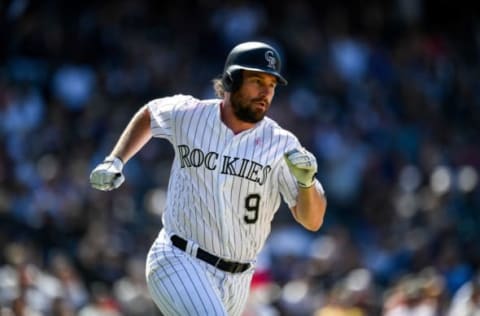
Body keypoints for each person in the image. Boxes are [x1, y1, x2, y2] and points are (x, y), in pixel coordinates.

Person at [89, 41, 327, 316]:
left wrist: (307, 184)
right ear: (230, 80)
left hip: (239, 279)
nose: (266, 92)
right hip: (179, 258)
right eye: (257, 80)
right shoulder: (191, 114)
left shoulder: (283, 144)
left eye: (272, 84)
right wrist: (116, 160)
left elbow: (312, 220)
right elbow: (151, 113)